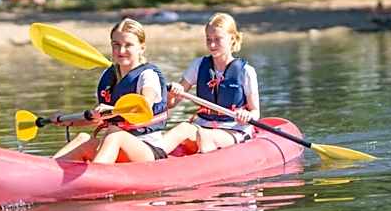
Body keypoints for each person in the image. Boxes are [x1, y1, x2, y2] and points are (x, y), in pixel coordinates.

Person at [53, 18, 169, 164]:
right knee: (83, 138)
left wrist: (114, 109)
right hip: (114, 143)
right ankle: (47, 171)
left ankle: (96, 175)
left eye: (128, 45)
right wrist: (68, 121)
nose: (121, 51)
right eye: (116, 45)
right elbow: (101, 119)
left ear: (142, 48)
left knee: (115, 133)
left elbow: (144, 106)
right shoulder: (110, 77)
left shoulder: (148, 76)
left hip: (149, 150)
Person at [161, 12, 260, 155]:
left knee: (205, 137)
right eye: (208, 39)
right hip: (203, 125)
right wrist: (172, 93)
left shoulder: (246, 72)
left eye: (218, 39)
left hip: (233, 129)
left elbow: (255, 112)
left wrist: (247, 115)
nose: (212, 45)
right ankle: (152, 156)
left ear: (232, 39)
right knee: (183, 127)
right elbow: (171, 103)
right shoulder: (198, 65)